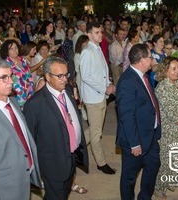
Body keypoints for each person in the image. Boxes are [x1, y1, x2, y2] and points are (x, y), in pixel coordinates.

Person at [23, 56, 88, 200]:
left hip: (71, 157)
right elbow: (29, 140)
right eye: (60, 76)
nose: (64, 79)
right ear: (47, 76)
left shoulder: (68, 91)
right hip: (53, 164)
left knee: (61, 195)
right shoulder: (35, 104)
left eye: (66, 75)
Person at [0, 58, 42, 200]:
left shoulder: (12, 101)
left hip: (24, 179)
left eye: (11, 76)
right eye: (3, 78)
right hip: (6, 189)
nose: (11, 81)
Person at [116, 43, 161, 200]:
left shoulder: (143, 75)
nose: (152, 59)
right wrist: (134, 143)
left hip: (150, 135)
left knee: (153, 166)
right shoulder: (128, 81)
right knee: (129, 177)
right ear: (142, 60)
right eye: (150, 56)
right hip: (136, 140)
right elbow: (126, 116)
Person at [80, 22, 116, 174]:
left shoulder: (97, 48)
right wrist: (104, 88)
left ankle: (73, 149)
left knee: (95, 130)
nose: (100, 34)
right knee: (96, 134)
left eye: (100, 32)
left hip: (100, 96)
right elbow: (86, 76)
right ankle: (101, 163)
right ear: (89, 34)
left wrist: (109, 83)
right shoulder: (87, 51)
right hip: (93, 98)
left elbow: (103, 71)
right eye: (97, 32)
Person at [154, 57, 178, 198]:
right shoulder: (162, 87)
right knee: (168, 161)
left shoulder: (177, 84)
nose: (177, 72)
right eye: (173, 69)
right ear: (165, 70)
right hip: (169, 131)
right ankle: (159, 189)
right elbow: (170, 112)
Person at [0, 39, 34, 108]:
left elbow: (29, 75)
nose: (15, 50)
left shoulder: (23, 60)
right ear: (7, 51)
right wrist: (22, 94)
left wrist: (31, 91)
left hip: (30, 94)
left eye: (16, 48)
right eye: (11, 49)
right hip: (17, 97)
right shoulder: (5, 64)